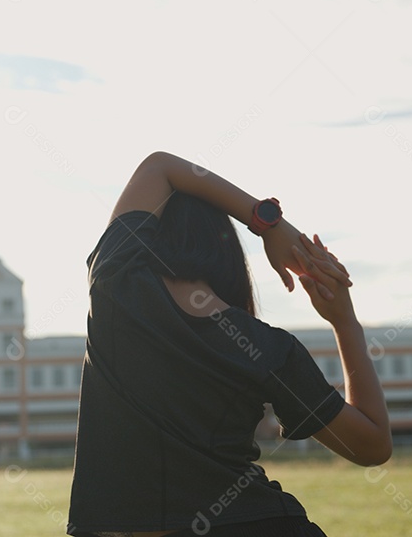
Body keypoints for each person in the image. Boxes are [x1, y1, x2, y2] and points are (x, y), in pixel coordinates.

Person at [67, 152, 391, 537]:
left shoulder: (117, 281)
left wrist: (267, 223)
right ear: (227, 252)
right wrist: (344, 321)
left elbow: (160, 167)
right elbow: (373, 446)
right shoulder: (266, 349)